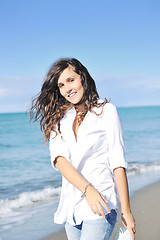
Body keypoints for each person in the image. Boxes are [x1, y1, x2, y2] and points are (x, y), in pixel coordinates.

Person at [30, 58, 135, 240]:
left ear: (82, 78)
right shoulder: (59, 118)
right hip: (71, 205)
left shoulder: (106, 111)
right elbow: (59, 161)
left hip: (101, 202)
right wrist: (87, 190)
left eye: (71, 80)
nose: (67, 88)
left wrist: (126, 211)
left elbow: (117, 161)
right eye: (61, 85)